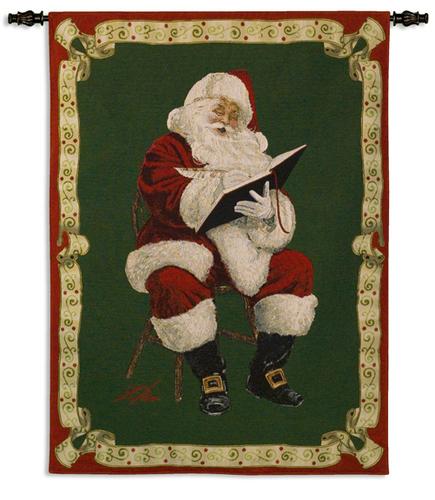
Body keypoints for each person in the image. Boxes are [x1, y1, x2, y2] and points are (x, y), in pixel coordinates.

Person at [126, 70, 318, 416]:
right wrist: (214, 190)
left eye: (234, 115)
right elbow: (158, 192)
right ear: (197, 109)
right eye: (219, 110)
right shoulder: (169, 147)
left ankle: (266, 370)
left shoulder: (248, 153)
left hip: (244, 255)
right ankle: (210, 374)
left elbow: (275, 200)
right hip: (183, 248)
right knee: (171, 282)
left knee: (295, 267)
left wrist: (268, 213)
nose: (226, 121)